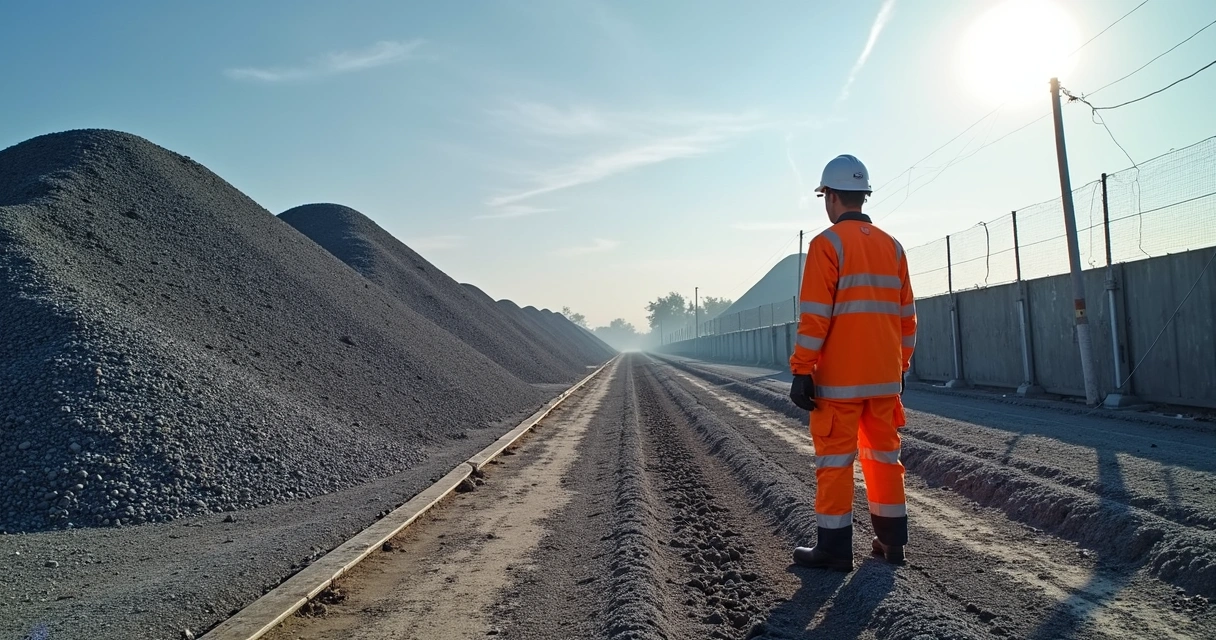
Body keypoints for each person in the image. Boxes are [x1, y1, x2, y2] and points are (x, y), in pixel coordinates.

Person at [788, 154, 917, 571]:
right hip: (884, 380)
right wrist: (901, 366)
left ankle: (834, 550)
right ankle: (892, 544)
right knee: (883, 460)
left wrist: (802, 369)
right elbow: (907, 319)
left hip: (839, 384)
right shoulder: (892, 246)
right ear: (863, 196)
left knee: (836, 463)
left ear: (831, 197)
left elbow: (814, 317)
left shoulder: (826, 245)